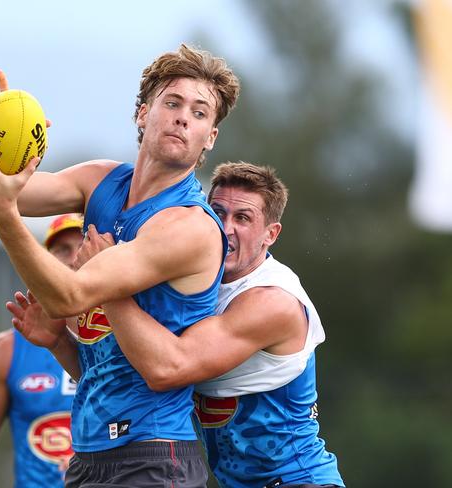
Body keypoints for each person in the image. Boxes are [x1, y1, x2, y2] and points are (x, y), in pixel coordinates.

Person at [0, 44, 240, 487]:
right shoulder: (100, 180)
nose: (185, 117)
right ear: (143, 114)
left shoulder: (190, 227)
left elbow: (67, 295)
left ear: (210, 137)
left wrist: (4, 212)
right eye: (173, 102)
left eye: (200, 113)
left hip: (153, 454)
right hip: (89, 453)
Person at [72, 162, 345, 488]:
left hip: (299, 480)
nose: (226, 228)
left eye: (243, 218)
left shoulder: (273, 301)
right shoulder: (194, 287)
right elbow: (134, 379)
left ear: (270, 234)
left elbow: (167, 369)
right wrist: (56, 342)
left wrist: (109, 284)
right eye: (218, 212)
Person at [0, 214, 84, 488]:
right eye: (62, 249)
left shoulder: (128, 341)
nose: (72, 259)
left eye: (82, 247)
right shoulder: (8, 350)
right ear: (45, 262)